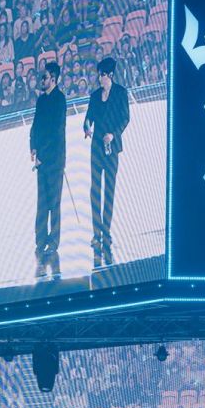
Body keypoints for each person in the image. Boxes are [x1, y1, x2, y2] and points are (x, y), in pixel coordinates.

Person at [84, 57, 130, 268]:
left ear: (110, 75)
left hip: (112, 148)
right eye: (99, 75)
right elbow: (88, 117)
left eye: (102, 75)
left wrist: (113, 134)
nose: (99, 78)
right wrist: (87, 127)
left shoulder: (120, 93)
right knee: (95, 189)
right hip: (96, 147)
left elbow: (125, 118)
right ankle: (96, 233)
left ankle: (106, 232)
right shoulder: (95, 96)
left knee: (109, 190)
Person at [30, 61, 66, 280]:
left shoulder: (60, 100)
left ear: (53, 78)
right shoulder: (41, 100)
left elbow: (56, 130)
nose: (41, 80)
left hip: (54, 160)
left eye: (44, 77)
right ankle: (40, 240)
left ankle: (53, 241)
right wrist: (33, 147)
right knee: (42, 203)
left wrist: (43, 154)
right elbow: (35, 126)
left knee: (54, 203)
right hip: (42, 159)